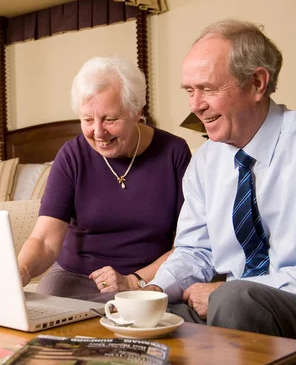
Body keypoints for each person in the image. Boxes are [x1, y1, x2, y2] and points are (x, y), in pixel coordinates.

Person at [145, 19, 296, 355]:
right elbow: (194, 251)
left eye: (208, 89)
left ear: (257, 83)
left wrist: (229, 292)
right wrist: (153, 290)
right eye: (189, 90)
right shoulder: (205, 162)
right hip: (239, 306)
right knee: (154, 317)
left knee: (233, 297)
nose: (195, 105)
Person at [17, 55, 192, 302]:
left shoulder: (174, 153)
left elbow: (186, 245)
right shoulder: (72, 155)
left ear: (136, 112)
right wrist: (21, 270)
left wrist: (134, 281)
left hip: (148, 280)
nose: (98, 132)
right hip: (74, 277)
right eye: (88, 120)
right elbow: (45, 240)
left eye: (110, 119)